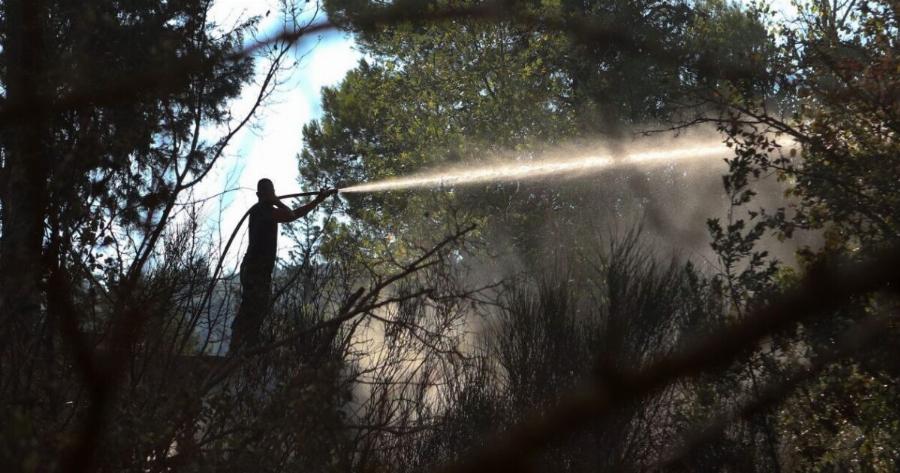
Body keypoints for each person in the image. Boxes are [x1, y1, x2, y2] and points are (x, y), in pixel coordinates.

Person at [230, 179, 337, 354]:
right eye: (267, 192)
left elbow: (294, 213)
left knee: (257, 306)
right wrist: (277, 201)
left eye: (272, 191)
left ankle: (247, 346)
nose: (270, 194)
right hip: (255, 268)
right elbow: (290, 215)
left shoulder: (269, 211)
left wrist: (317, 201)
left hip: (259, 269)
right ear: (259, 195)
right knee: (252, 305)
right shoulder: (260, 210)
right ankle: (239, 347)